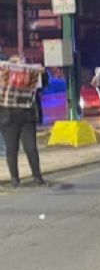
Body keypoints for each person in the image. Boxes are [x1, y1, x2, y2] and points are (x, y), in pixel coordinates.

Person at [0, 55, 46, 187]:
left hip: (27, 117)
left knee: (31, 147)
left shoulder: (30, 77)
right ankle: (15, 178)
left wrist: (43, 73)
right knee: (11, 148)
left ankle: (37, 176)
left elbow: (43, 84)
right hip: (7, 117)